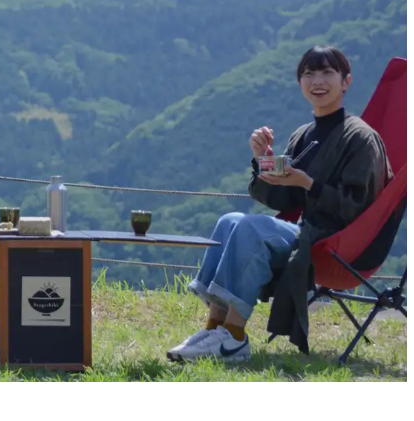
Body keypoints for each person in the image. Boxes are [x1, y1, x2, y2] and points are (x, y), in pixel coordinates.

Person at [167, 45, 391, 363]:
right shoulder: (304, 134)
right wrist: (264, 164)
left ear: (346, 81)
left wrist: (307, 182)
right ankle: (213, 330)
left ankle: (234, 338)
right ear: (300, 83)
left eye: (328, 72)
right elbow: (285, 199)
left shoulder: (361, 138)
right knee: (230, 220)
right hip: (306, 231)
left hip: (336, 243)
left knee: (247, 226)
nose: (318, 80)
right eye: (309, 73)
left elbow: (359, 208)